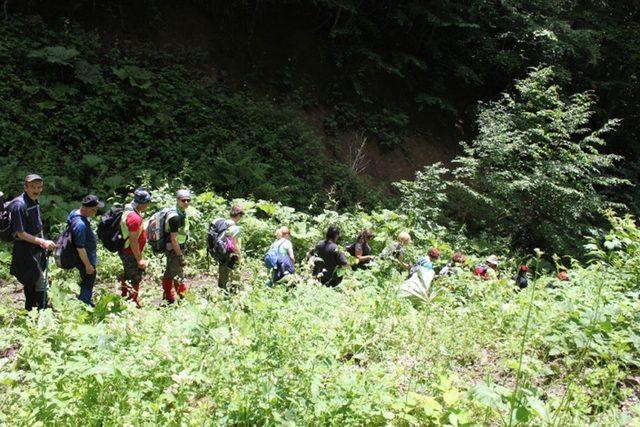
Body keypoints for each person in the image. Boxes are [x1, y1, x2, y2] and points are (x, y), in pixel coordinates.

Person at [9, 174, 56, 311]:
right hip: (25, 250)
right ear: (25, 187)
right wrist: (42, 242)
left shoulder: (34, 200)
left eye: (39, 187)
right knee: (38, 282)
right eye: (33, 187)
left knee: (32, 281)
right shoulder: (19, 205)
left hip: (36, 248)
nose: (36, 190)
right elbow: (20, 233)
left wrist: (43, 244)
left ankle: (31, 311)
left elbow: (37, 225)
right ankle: (42, 313)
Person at [68, 195, 104, 306]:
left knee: (88, 277)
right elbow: (80, 247)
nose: (96, 212)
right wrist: (88, 265)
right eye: (94, 209)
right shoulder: (80, 224)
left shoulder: (75, 213)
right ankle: (84, 303)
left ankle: (84, 300)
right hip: (84, 257)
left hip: (85, 254)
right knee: (89, 277)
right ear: (86, 208)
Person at [118, 188, 152, 307]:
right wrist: (139, 259)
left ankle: (125, 295)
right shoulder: (134, 218)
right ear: (142, 203)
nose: (148, 206)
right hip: (130, 251)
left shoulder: (129, 208)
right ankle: (133, 301)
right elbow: (133, 241)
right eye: (147, 203)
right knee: (135, 276)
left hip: (126, 249)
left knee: (128, 273)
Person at [161, 189, 192, 304]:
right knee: (179, 274)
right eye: (184, 200)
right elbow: (174, 239)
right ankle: (183, 298)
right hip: (175, 249)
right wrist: (179, 255)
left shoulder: (181, 211)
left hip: (174, 247)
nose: (187, 202)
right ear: (177, 200)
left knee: (169, 272)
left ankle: (168, 296)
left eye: (189, 200)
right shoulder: (175, 217)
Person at [217, 205, 245, 291]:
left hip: (221, 252)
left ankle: (221, 291)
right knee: (235, 273)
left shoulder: (224, 223)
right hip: (230, 254)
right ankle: (233, 292)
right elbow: (234, 244)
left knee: (223, 272)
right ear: (239, 215)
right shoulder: (234, 227)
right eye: (241, 216)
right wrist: (240, 257)